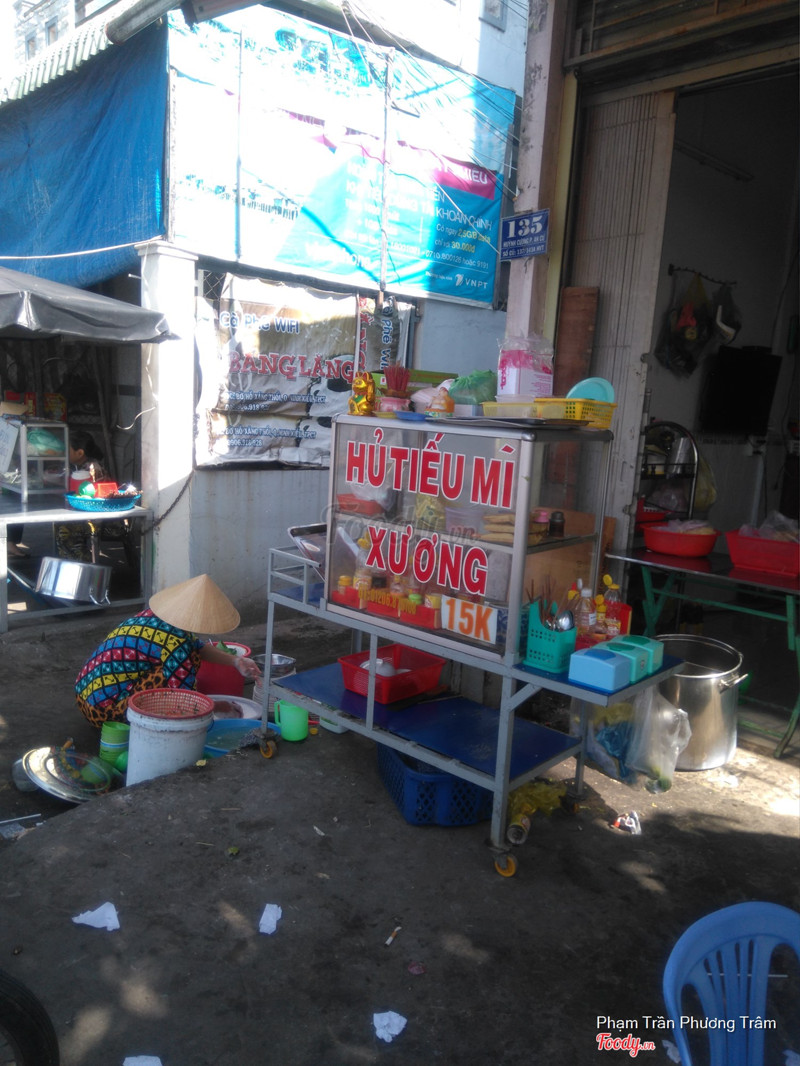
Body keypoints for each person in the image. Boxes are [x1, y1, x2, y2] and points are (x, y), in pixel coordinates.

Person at [74, 573, 261, 727]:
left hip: (84, 693)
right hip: (103, 712)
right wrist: (220, 706)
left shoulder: (154, 615)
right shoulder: (177, 644)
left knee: (188, 657)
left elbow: (196, 646)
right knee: (187, 669)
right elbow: (186, 701)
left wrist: (236, 661)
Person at [58, 430, 110, 562]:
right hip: (87, 512)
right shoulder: (81, 466)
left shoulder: (91, 469)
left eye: (68, 450)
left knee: (65, 530)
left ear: (80, 453)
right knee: (60, 525)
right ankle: (74, 560)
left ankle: (83, 563)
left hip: (98, 517)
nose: (64, 453)